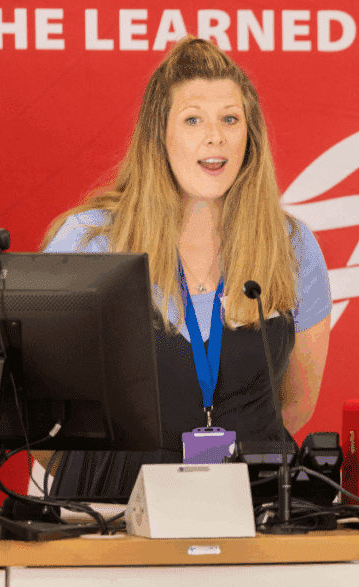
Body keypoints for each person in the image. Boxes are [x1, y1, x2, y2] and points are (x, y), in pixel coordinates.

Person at [33, 37, 331, 499]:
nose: (215, 137)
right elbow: (38, 412)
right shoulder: (89, 239)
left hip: (254, 506)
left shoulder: (292, 246)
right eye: (193, 119)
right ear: (160, 135)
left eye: (230, 119)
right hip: (112, 508)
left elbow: (297, 403)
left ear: (249, 135)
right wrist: (102, 478)